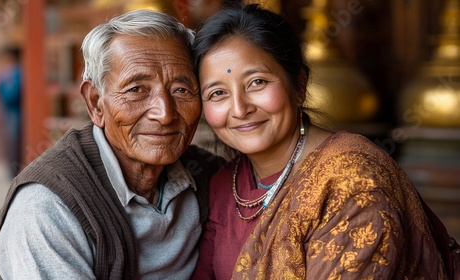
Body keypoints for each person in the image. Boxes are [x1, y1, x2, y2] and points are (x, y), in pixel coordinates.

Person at [191, 4, 459, 279]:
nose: (239, 108)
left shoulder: (352, 180)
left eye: (257, 82)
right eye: (217, 93)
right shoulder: (225, 183)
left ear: (300, 86)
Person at [0, 10, 223, 279]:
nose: (165, 113)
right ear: (96, 103)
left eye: (181, 90)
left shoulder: (212, 176)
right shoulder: (48, 208)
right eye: (136, 90)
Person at [0, 46, 22, 177]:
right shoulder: (10, 73)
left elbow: (12, 95)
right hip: (11, 113)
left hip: (15, 113)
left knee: (14, 142)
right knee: (12, 142)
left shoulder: (16, 73)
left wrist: (0, 86)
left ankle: (14, 171)